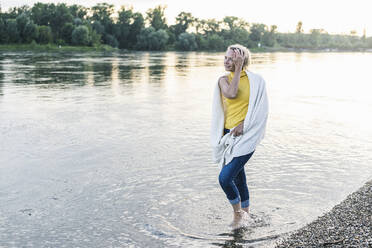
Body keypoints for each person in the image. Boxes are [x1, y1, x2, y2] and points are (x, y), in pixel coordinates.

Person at [210, 44, 268, 229]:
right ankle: (247, 215)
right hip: (228, 136)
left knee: (225, 178)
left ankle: (237, 216)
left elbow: (262, 111)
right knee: (238, 178)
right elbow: (232, 93)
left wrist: (245, 125)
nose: (226, 61)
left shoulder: (257, 81)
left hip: (247, 135)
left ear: (241, 60)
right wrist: (237, 69)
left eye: (231, 58)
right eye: (225, 57)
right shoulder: (222, 80)